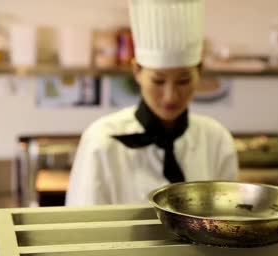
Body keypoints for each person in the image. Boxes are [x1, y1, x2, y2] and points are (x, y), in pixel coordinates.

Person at [65, 0, 239, 205]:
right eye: (158, 81)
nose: (170, 96)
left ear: (199, 72)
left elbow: (227, 219)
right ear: (137, 71)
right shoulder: (101, 141)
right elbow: (84, 226)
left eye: (183, 81)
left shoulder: (216, 139)